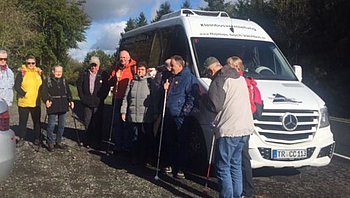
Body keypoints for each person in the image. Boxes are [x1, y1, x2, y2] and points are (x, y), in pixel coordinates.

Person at [204, 56, 255, 198]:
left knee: (222, 167)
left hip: (229, 128)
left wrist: (203, 99)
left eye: (208, 72)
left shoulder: (220, 79)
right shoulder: (239, 77)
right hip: (245, 128)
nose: (209, 76)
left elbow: (215, 105)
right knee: (235, 165)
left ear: (212, 68)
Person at [162, 55, 198, 179]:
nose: (170, 67)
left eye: (172, 65)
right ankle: (171, 164)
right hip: (169, 113)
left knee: (182, 142)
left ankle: (181, 167)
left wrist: (184, 112)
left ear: (180, 65)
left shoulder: (189, 78)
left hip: (181, 116)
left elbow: (192, 97)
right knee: (170, 141)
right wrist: (165, 89)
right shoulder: (171, 76)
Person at [227, 56, 255, 198]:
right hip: (246, 123)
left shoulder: (241, 82)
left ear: (237, 68)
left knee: (240, 159)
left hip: (240, 122)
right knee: (239, 159)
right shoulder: (247, 81)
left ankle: (246, 191)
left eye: (230, 66)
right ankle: (242, 189)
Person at [120, 61, 159, 164]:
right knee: (134, 137)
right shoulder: (132, 82)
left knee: (144, 138)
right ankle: (134, 157)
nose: (139, 71)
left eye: (142, 70)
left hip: (146, 117)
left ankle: (145, 158)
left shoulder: (150, 83)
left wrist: (155, 113)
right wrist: (123, 111)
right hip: (133, 115)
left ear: (145, 70)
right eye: (138, 69)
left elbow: (155, 99)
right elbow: (126, 98)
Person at [76, 56, 109, 149]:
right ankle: (87, 141)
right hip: (87, 103)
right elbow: (79, 85)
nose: (93, 67)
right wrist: (82, 98)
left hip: (98, 103)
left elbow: (106, 87)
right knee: (87, 122)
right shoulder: (84, 74)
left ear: (98, 65)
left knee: (98, 122)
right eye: (92, 65)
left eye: (95, 65)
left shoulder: (103, 74)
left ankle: (98, 141)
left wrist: (101, 98)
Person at [108, 50, 137, 153]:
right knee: (116, 123)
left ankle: (127, 146)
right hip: (117, 98)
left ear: (129, 58)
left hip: (129, 99)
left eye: (124, 58)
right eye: (121, 57)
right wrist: (115, 78)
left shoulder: (134, 68)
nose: (122, 59)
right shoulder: (116, 68)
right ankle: (117, 145)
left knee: (127, 123)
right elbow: (109, 82)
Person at [41, 65, 74, 152]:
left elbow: (68, 92)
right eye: (57, 71)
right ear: (53, 71)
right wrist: (46, 100)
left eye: (60, 71)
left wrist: (71, 101)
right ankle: (50, 142)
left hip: (63, 104)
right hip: (53, 105)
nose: (58, 73)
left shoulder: (64, 81)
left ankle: (58, 142)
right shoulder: (47, 80)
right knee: (51, 125)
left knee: (61, 125)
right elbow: (43, 92)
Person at [14, 55, 43, 147]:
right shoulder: (22, 73)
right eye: (29, 63)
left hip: (36, 102)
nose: (31, 64)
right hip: (24, 102)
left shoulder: (39, 73)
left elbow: (43, 86)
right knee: (23, 122)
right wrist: (24, 94)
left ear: (35, 63)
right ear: (26, 63)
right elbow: (17, 86)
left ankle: (37, 138)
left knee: (37, 122)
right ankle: (22, 138)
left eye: (32, 63)